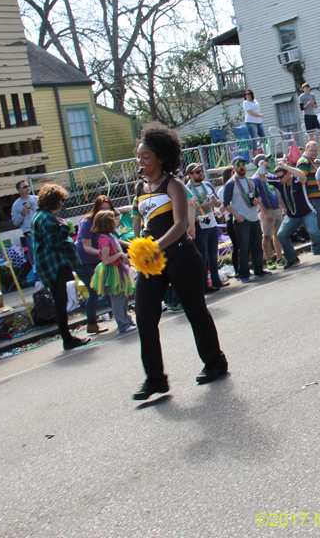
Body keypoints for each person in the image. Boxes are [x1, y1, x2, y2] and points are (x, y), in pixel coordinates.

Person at [131, 122, 227, 399]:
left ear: (161, 158)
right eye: (139, 157)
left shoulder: (173, 184)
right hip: (153, 262)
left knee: (195, 311)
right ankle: (155, 379)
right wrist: (140, 247)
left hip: (181, 255)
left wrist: (155, 247)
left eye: (145, 157)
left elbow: (181, 224)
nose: (141, 162)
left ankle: (215, 362)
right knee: (144, 317)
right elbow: (143, 221)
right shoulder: (141, 187)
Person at [30, 184, 92, 351]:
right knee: (60, 302)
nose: (62, 203)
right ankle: (67, 338)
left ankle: (67, 337)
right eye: (61, 200)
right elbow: (53, 242)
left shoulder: (39, 215)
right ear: (54, 201)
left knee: (60, 301)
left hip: (49, 264)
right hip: (54, 264)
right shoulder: (47, 218)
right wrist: (64, 228)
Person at [271, 161, 320, 267]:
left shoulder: (298, 181)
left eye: (281, 176)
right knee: (281, 234)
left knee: (313, 231)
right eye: (277, 177)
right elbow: (262, 177)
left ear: (288, 174)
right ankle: (292, 258)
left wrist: (285, 166)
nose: (279, 179)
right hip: (292, 216)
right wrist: (261, 165)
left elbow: (302, 174)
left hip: (307, 213)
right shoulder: (279, 183)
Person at [222, 156, 270, 283]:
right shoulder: (231, 183)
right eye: (238, 165)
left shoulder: (251, 182)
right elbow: (226, 203)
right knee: (243, 248)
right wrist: (237, 216)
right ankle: (243, 274)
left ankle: (258, 270)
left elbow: (258, 197)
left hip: (254, 218)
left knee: (256, 246)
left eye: (243, 164)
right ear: (234, 168)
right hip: (241, 221)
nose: (241, 167)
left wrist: (257, 200)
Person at [89, 210, 136, 334]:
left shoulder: (110, 237)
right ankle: (123, 324)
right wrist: (119, 255)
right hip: (113, 272)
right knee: (118, 300)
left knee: (124, 298)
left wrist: (123, 256)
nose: (117, 221)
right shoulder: (105, 240)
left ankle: (127, 320)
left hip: (119, 269)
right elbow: (105, 260)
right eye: (114, 220)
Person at [75, 196, 115, 334]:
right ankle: (91, 324)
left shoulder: (107, 220)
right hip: (83, 260)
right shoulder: (87, 222)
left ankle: (120, 315)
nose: (106, 211)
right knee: (94, 290)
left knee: (110, 285)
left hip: (98, 258)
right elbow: (86, 247)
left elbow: (111, 240)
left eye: (108, 208)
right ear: (96, 209)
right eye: (102, 209)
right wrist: (103, 254)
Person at [185, 163, 225, 291]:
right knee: (203, 256)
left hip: (212, 223)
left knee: (213, 254)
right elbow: (191, 207)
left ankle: (216, 280)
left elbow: (218, 202)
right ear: (190, 175)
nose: (200, 173)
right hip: (199, 226)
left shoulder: (207, 185)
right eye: (197, 172)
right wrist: (204, 206)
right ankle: (204, 284)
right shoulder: (187, 189)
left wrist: (215, 203)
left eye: (201, 171)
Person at [251, 154, 285, 269]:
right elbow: (256, 198)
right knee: (266, 236)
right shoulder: (255, 179)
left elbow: (277, 192)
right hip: (266, 210)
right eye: (265, 160)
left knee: (277, 234)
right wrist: (265, 213)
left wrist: (282, 206)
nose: (268, 161)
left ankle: (280, 258)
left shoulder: (270, 176)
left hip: (276, 209)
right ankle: (269, 261)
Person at [296, 141, 320, 247]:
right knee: (316, 225)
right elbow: (300, 179)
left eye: (316, 151)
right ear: (306, 150)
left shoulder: (310, 161)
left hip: (316, 197)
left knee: (317, 224)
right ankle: (317, 247)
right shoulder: (304, 161)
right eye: (311, 150)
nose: (314, 153)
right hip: (311, 198)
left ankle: (318, 246)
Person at [11, 180, 38, 251]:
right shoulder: (16, 204)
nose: (27, 188)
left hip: (42, 230)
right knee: (35, 257)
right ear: (19, 190)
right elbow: (15, 222)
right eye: (24, 187)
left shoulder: (37, 199)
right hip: (30, 234)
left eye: (28, 186)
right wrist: (23, 213)